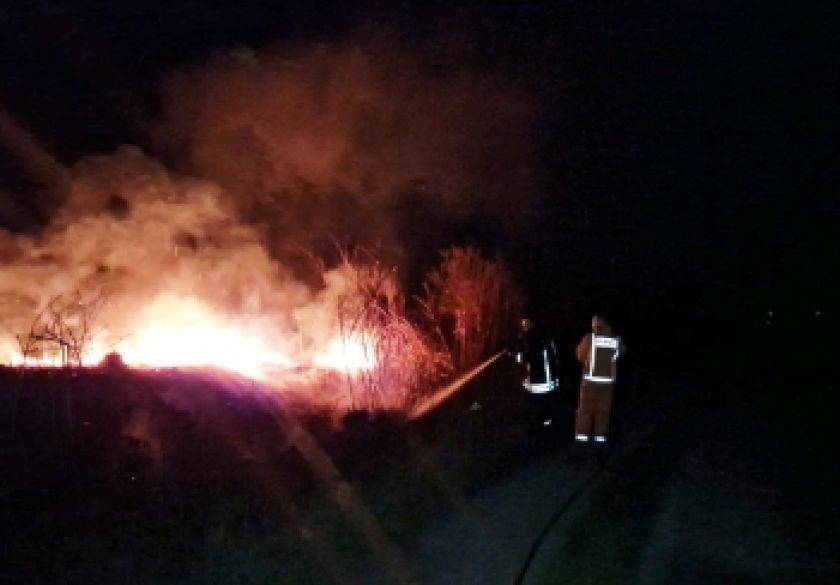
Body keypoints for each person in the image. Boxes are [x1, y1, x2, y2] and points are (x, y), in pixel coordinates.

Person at [574, 315, 625, 445]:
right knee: (603, 410)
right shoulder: (616, 340)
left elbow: (580, 356)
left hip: (590, 382)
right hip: (608, 382)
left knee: (585, 410)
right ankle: (600, 438)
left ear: (597, 323)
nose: (592, 324)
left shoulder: (589, 338)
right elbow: (620, 353)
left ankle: (582, 437)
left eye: (593, 321)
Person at [515, 318, 560, 426]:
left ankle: (539, 425)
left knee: (538, 401)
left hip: (541, 378)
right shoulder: (545, 336)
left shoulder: (533, 338)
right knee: (545, 401)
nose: (524, 327)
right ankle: (546, 422)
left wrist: (517, 354)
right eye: (522, 325)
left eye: (526, 324)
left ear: (532, 323)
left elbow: (526, 357)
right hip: (549, 376)